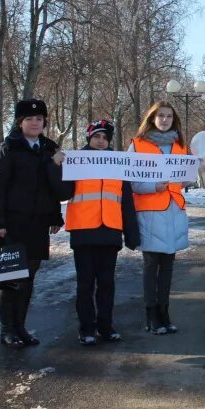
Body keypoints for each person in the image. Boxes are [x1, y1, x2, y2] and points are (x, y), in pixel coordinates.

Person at [0, 99, 64, 349]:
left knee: (29, 276)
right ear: (20, 122)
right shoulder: (7, 148)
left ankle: (20, 327)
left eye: (39, 119)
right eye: (29, 119)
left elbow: (53, 188)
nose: (35, 123)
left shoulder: (50, 149)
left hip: (38, 222)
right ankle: (7, 330)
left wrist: (55, 216)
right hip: (13, 222)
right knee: (11, 277)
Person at [57, 120, 141, 345]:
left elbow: (126, 202)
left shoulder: (117, 164)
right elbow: (62, 193)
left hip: (110, 231)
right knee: (85, 283)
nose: (101, 141)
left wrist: (132, 233)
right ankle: (86, 329)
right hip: (83, 231)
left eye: (104, 137)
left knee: (107, 283)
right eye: (97, 137)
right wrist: (58, 167)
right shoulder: (76, 161)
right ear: (89, 139)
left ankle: (106, 326)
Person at [129, 101, 189, 334]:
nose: (165, 120)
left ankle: (164, 313)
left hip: (173, 211)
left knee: (168, 267)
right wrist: (154, 186)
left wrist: (193, 173)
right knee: (151, 265)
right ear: (152, 118)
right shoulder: (138, 145)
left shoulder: (180, 145)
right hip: (150, 212)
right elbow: (131, 182)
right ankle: (151, 315)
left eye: (169, 116)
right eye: (161, 116)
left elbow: (182, 179)